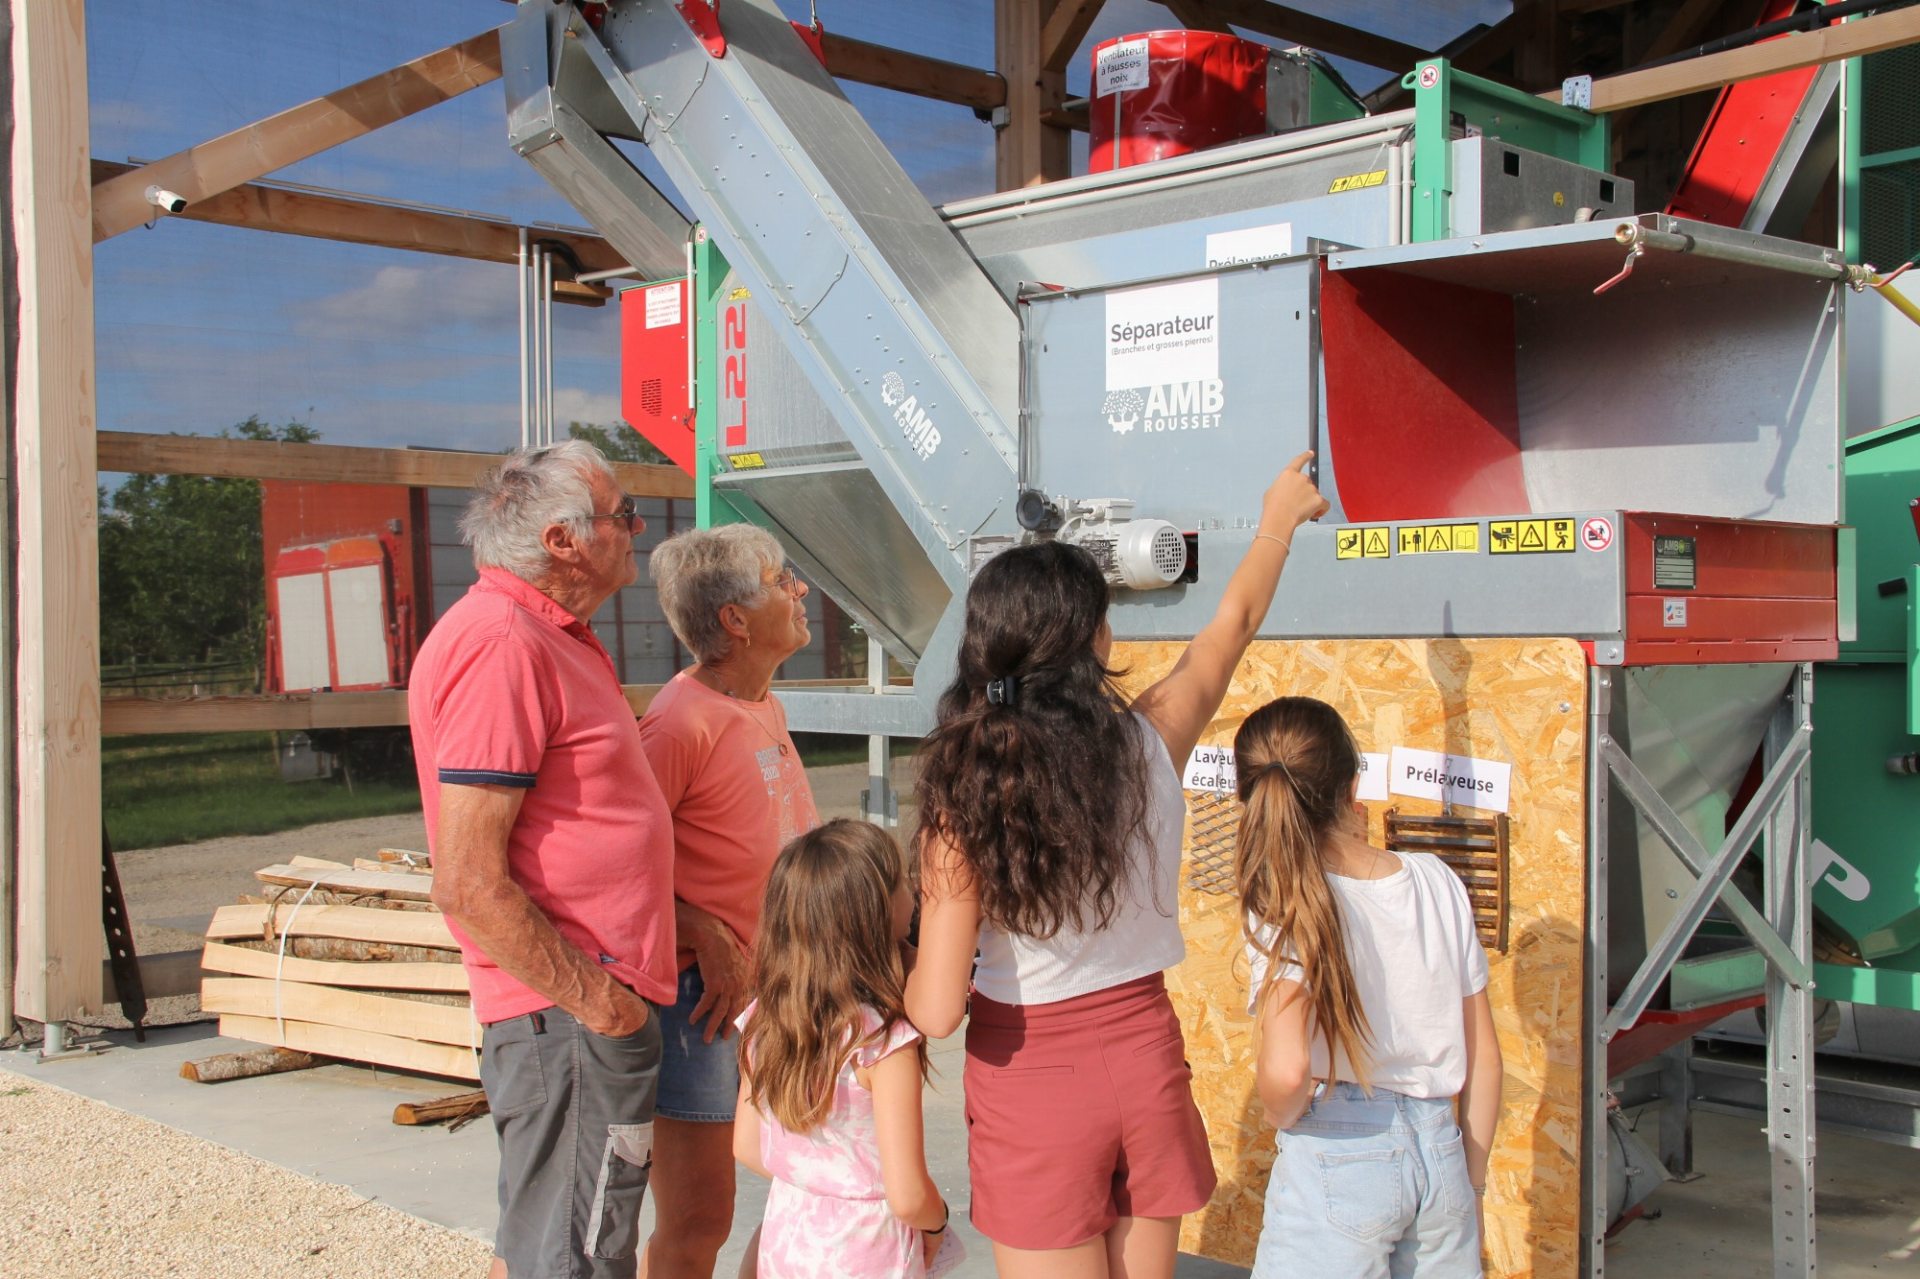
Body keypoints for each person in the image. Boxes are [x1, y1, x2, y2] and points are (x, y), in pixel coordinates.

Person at [906, 454, 1329, 1279]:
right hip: (1145, 1054)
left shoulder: (961, 799)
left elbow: (937, 1010)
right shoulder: (1148, 744)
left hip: (1031, 1080)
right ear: (1091, 643)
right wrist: (1277, 516)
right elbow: (1231, 626)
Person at [408, 440, 675, 1279]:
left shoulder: (549, 633)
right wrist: (604, 1005)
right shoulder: (504, 644)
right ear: (563, 541)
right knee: (578, 1254)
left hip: (575, 1016)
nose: (636, 528)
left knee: (548, 1243)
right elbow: (467, 880)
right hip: (567, 1017)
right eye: (621, 515)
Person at [1233, 696, 1503, 1279]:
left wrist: (1288, 1116)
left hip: (1339, 1149)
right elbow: (1484, 1058)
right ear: (1352, 787)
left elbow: (1284, 1073)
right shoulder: (1437, 881)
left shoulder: (1285, 901)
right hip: (1440, 1149)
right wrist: (1472, 1182)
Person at [638, 524, 822, 1279]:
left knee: (806, 1192)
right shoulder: (679, 724)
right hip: (701, 1004)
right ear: (735, 620)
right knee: (699, 1215)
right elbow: (613, 870)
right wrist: (702, 932)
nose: (800, 590)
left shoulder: (761, 704)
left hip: (772, 991)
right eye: (782, 579)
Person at [733, 819, 957, 1278]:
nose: (911, 892)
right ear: (873, 914)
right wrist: (938, 1225)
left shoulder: (765, 1019)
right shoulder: (881, 1043)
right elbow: (909, 1195)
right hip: (868, 1253)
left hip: (787, 1239)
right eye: (900, 883)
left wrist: (816, 1183)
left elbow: (747, 1147)